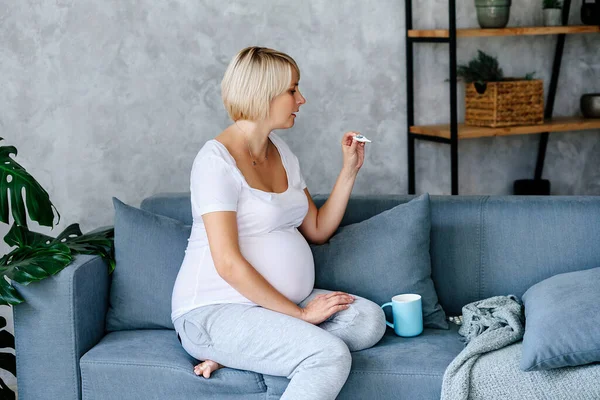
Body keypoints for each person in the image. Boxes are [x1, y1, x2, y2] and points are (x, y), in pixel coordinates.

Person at [171, 46, 386, 400]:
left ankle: (242, 351)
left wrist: (349, 171)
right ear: (262, 94)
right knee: (328, 354)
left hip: (272, 308)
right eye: (292, 90)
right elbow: (227, 263)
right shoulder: (215, 162)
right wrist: (301, 315)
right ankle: (238, 343)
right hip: (214, 311)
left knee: (368, 322)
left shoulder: (281, 152)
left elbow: (316, 229)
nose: (301, 99)